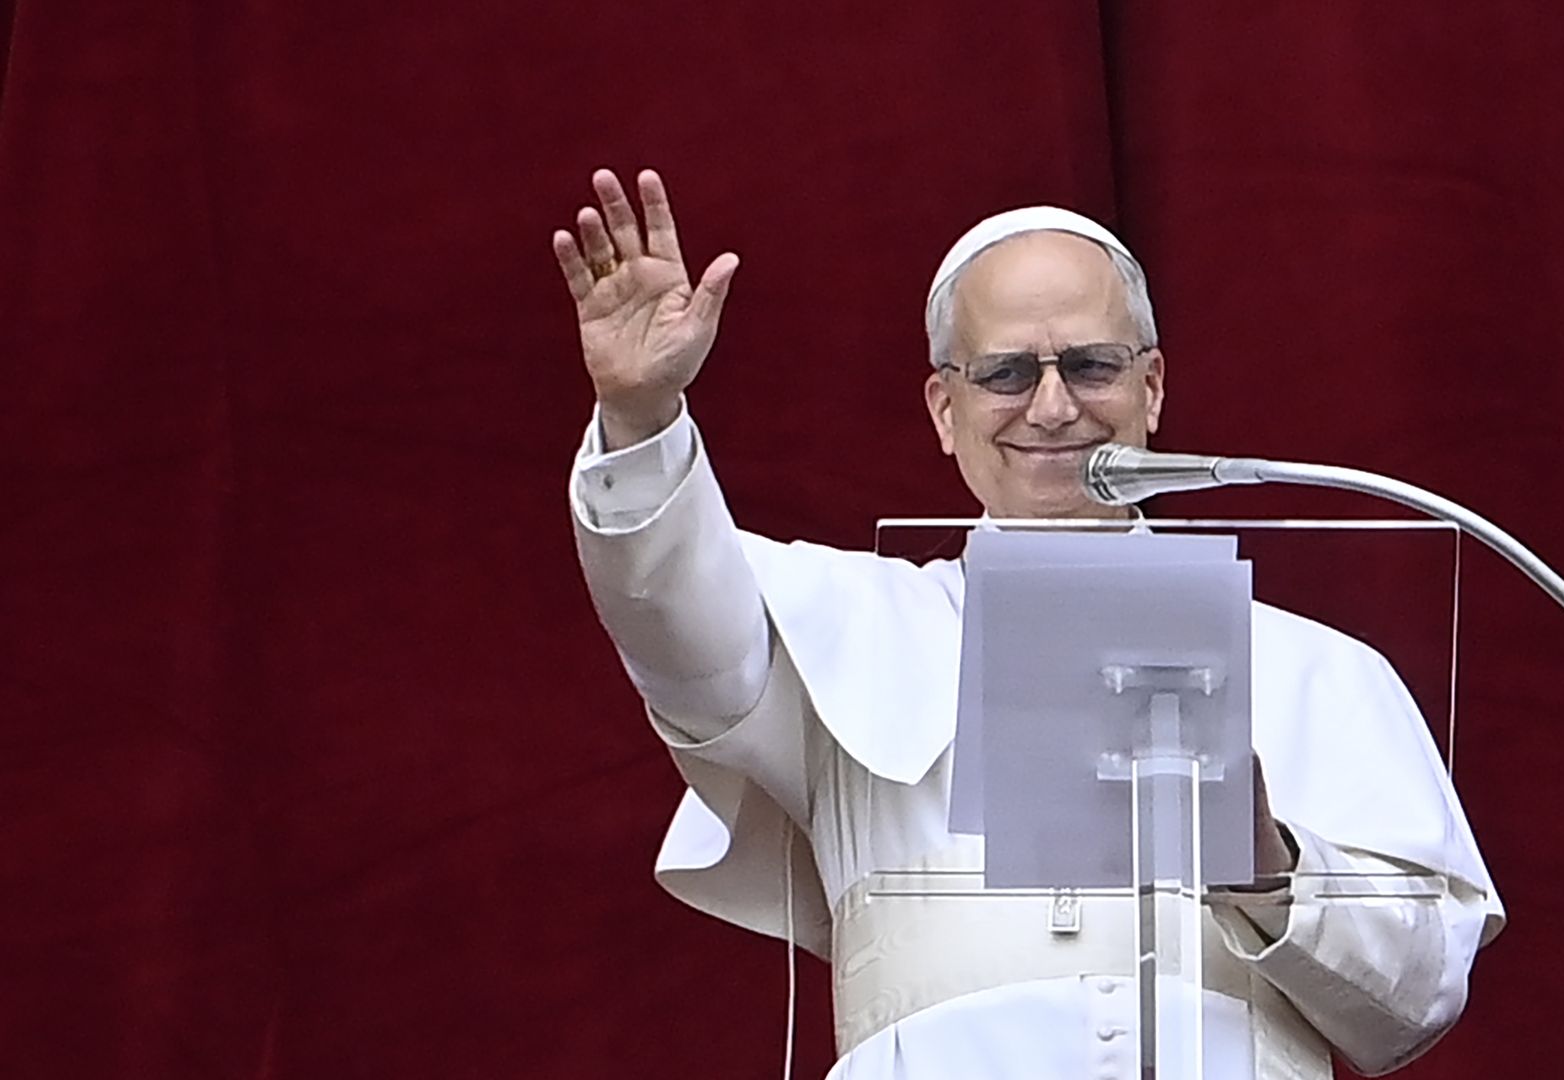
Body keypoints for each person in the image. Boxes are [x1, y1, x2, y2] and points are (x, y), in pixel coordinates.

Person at [553, 168, 1504, 1079]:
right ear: (944, 408)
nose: (1053, 409)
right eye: (1007, 373)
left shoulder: (1316, 670)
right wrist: (640, 418)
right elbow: (674, 624)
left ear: (1154, 387)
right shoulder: (846, 626)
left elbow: (1420, 996)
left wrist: (1272, 871)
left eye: (1091, 365)